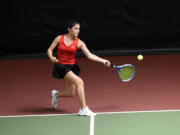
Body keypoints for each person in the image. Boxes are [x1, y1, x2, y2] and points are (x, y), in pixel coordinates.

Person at [47, 20, 110, 116]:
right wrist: (51, 57)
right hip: (61, 66)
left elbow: (89, 55)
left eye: (79, 29)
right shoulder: (59, 38)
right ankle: (83, 109)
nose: (78, 31)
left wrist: (103, 60)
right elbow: (50, 49)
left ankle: (56, 95)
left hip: (72, 66)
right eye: (75, 28)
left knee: (71, 93)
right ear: (69, 29)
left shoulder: (79, 43)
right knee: (80, 82)